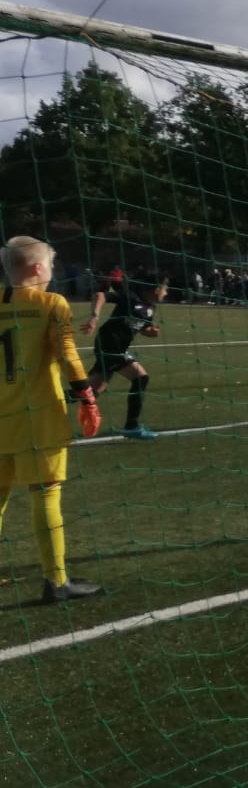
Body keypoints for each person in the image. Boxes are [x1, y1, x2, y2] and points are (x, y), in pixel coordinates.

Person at [0, 236, 103, 603]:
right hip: (38, 417)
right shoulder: (51, 303)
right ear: (38, 268)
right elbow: (68, 355)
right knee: (45, 493)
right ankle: (56, 581)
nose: (52, 272)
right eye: (51, 266)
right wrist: (87, 399)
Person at [82, 275, 166, 440]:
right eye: (165, 289)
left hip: (119, 347)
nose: (166, 293)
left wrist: (151, 332)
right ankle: (131, 426)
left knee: (93, 389)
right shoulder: (130, 297)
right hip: (109, 344)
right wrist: (95, 316)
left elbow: (142, 327)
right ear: (156, 289)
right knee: (141, 378)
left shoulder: (151, 307)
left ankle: (53, 404)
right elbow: (100, 295)